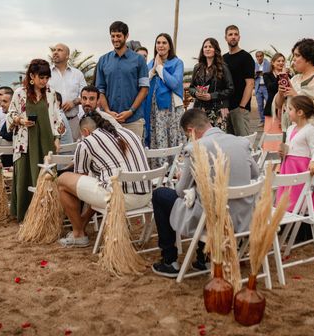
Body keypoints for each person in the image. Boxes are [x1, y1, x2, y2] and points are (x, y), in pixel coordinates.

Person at [151, 108, 259, 277]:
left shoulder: (195, 148)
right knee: (204, 196)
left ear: (190, 131)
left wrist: (187, 179)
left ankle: (170, 260)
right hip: (243, 218)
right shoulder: (240, 142)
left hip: (213, 219)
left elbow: (180, 191)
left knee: (160, 195)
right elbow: (255, 175)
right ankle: (204, 258)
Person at [56, 111, 152, 248]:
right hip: (146, 197)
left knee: (63, 180)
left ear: (85, 131)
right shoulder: (130, 134)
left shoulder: (87, 142)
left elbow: (80, 178)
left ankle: (78, 234)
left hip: (120, 199)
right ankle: (81, 224)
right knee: (100, 182)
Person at [7, 59, 62, 222]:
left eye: (47, 78)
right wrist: (20, 120)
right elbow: (10, 115)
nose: (44, 81)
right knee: (25, 175)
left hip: (46, 140)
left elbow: (57, 117)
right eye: (41, 78)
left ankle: (47, 214)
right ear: (32, 75)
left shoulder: (51, 93)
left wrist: (57, 138)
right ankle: (25, 214)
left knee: (47, 176)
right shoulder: (19, 93)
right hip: (25, 141)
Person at [275, 39, 314, 188]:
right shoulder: (295, 79)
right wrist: (282, 93)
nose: (293, 59)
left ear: (308, 58)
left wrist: (296, 95)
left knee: (312, 178)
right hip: (291, 131)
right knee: (291, 176)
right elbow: (278, 105)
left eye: (297, 55)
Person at [275, 96, 314, 211]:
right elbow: (290, 145)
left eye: (290, 109)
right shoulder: (291, 128)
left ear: (300, 112)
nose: (287, 111)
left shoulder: (310, 130)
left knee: (302, 192)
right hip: (288, 165)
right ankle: (289, 210)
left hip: (300, 167)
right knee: (289, 191)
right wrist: (282, 152)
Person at [95, 21, 149, 140]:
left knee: (134, 157)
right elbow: (100, 90)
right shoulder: (103, 61)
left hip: (133, 120)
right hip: (109, 121)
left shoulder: (139, 60)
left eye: (118, 36)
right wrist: (108, 112)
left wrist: (131, 111)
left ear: (126, 36)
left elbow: (144, 89)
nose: (115, 39)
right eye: (113, 36)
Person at [143, 33, 185, 166]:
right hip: (154, 108)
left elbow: (174, 83)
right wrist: (154, 68)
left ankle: (174, 169)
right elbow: (145, 81)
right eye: (158, 43)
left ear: (169, 46)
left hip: (171, 108)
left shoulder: (177, 63)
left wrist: (160, 68)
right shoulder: (151, 63)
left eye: (164, 43)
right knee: (157, 134)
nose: (161, 45)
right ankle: (159, 169)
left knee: (171, 135)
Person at [189, 38, 234, 132]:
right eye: (205, 47)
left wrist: (211, 96)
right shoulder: (197, 67)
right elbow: (191, 87)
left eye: (210, 46)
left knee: (218, 142)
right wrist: (195, 94)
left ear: (215, 49)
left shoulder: (223, 67)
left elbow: (230, 89)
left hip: (218, 110)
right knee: (201, 141)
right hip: (200, 110)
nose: (207, 49)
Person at [49, 43, 87, 141]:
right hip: (51, 122)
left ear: (67, 56)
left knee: (73, 152)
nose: (55, 52)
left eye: (60, 50)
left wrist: (73, 102)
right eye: (54, 50)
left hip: (73, 122)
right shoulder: (46, 74)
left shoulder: (78, 74)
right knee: (53, 153)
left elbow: (85, 96)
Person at [223, 25, 255, 136]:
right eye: (230, 34)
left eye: (236, 34)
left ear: (239, 37)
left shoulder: (246, 57)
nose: (233, 37)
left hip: (240, 108)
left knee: (244, 143)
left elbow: (250, 83)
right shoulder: (223, 59)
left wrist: (242, 107)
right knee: (229, 145)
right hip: (226, 108)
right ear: (225, 38)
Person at [262, 53, 287, 152]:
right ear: (272, 63)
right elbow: (270, 87)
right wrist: (281, 76)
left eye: (282, 61)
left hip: (285, 109)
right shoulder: (267, 75)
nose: (281, 63)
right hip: (272, 109)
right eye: (278, 61)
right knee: (270, 134)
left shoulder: (288, 75)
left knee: (282, 135)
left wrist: (285, 75)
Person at [254, 51, 271, 125]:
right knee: (260, 105)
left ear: (263, 56)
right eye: (257, 56)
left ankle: (269, 120)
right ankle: (262, 120)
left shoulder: (268, 64)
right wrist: (256, 75)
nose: (259, 58)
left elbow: (271, 74)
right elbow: (252, 77)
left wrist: (264, 74)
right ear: (256, 57)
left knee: (269, 104)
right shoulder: (254, 65)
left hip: (266, 87)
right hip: (258, 88)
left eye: (261, 56)